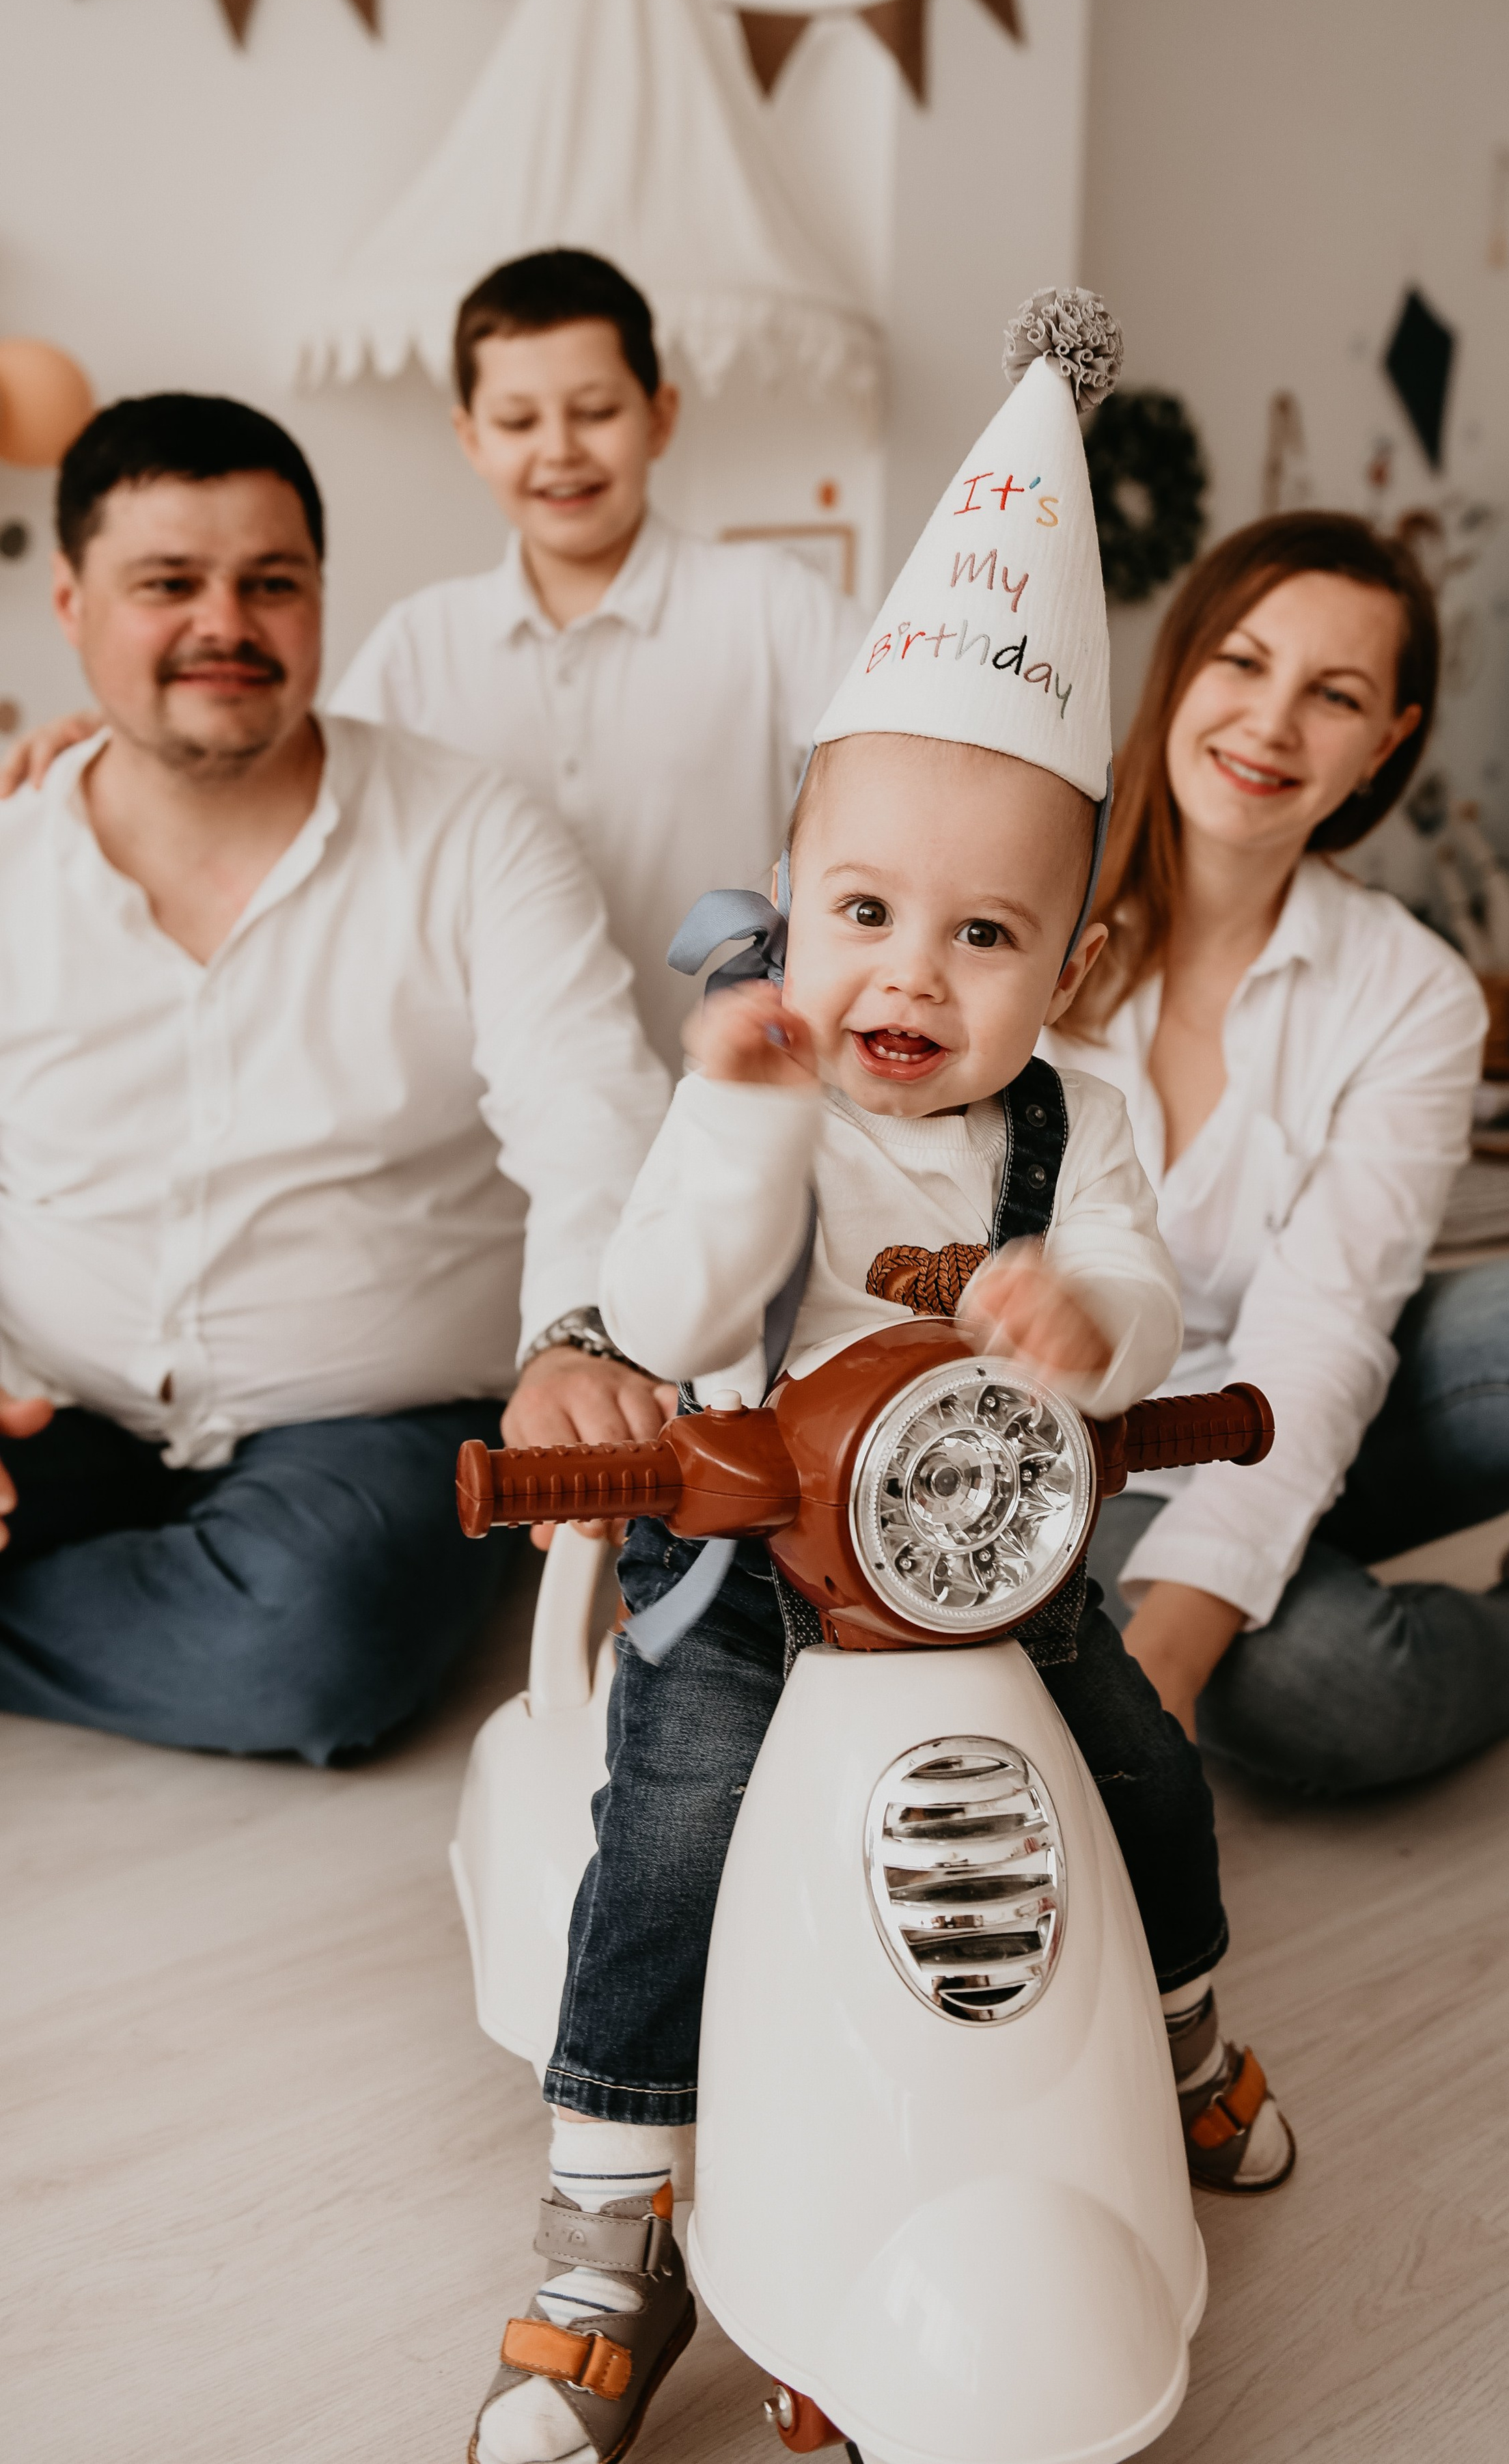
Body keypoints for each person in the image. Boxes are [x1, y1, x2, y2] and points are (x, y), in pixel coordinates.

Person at [468, 299, 1294, 2464]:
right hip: (754, 1565)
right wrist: (746, 1114)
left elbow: (1143, 1294)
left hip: (983, 1567)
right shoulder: (756, 1081)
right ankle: (607, 2218)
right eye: (861, 911)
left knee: (1135, 1778)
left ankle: (1176, 2035)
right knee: (668, 1836)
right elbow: (670, 1301)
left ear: (1072, 963)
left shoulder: (1075, 1119)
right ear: (791, 902)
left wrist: (1085, 1325)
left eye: (983, 936)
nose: (908, 975)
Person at [0, 393, 672, 1764]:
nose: (225, 624)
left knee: (312, 1642)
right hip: (52, 1398)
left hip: (365, 1423)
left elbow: (591, 1106)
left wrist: (578, 1341)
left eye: (271, 582)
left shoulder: (476, 833)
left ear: (317, 596)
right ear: (71, 603)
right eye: (168, 584)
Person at [1049, 509, 1509, 1796]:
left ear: (1387, 742)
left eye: (1335, 695)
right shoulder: (1024, 916)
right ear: (1180, 665)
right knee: (1328, 1685)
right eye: (1243, 663)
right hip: (1074, 1454)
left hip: (1301, 1414)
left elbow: (1322, 1334)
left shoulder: (1414, 990)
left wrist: (1169, 1663)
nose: (1272, 724)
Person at [2, 253, 865, 1076]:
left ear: (660, 416)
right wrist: (115, 737)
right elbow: (290, 768)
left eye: (596, 412)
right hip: (490, 1089)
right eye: (518, 422)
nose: (559, 449)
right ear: (470, 436)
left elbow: (900, 765)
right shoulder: (423, 639)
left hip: (733, 1072)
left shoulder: (771, 604)